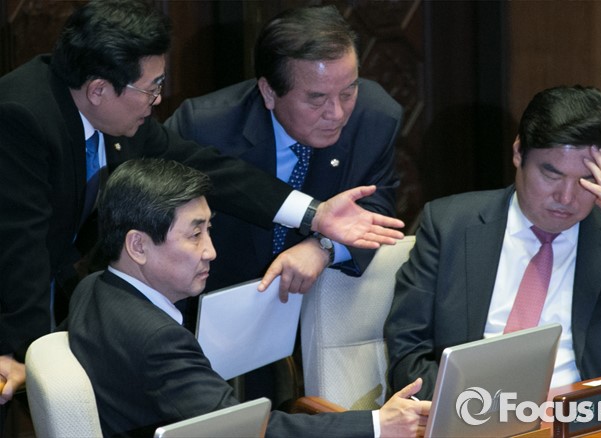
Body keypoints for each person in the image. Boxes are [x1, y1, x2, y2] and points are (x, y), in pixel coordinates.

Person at [0, 0, 404, 405]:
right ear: (99, 90)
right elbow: (20, 249)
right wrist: (34, 357)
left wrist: (314, 216)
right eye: (151, 87)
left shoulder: (111, 111)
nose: (158, 99)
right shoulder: (21, 117)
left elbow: (210, 168)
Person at [67, 158, 430, 437]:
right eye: (194, 235)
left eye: (209, 229)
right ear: (137, 246)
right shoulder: (157, 340)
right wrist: (378, 424)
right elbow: (246, 431)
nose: (210, 251)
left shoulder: (95, 287)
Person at [384, 85, 601, 400]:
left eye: (588, 180)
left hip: (588, 416)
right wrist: (470, 408)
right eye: (552, 175)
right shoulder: (449, 224)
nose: (566, 197)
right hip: (470, 409)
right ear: (519, 152)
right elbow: (407, 354)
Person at [165, 4, 402, 299]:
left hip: (314, 302)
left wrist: (323, 248)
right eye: (317, 99)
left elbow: (376, 209)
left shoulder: (375, 118)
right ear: (268, 92)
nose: (337, 113)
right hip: (210, 301)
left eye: (348, 91)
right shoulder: (203, 128)